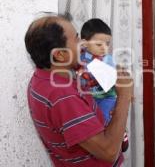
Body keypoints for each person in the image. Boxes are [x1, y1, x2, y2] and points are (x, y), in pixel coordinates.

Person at [25, 14, 133, 167]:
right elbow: (109, 152)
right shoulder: (62, 96)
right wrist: (125, 95)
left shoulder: (43, 78)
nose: (82, 44)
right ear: (60, 55)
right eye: (76, 39)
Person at [78, 18, 128, 152]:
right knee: (93, 123)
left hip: (107, 96)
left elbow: (112, 81)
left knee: (106, 118)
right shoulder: (79, 58)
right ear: (84, 43)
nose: (104, 48)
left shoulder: (107, 59)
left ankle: (120, 134)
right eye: (99, 44)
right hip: (90, 97)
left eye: (107, 43)